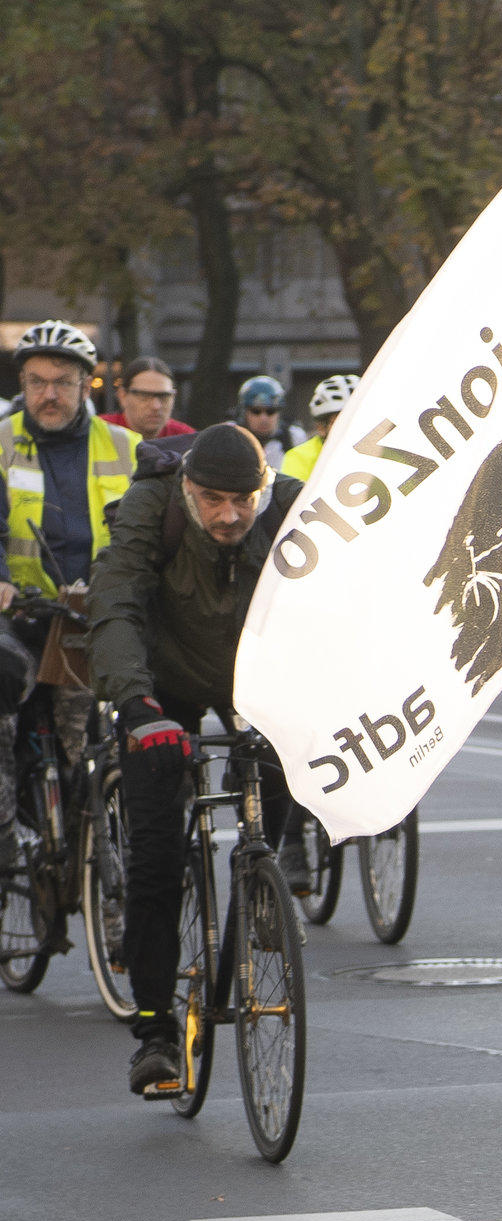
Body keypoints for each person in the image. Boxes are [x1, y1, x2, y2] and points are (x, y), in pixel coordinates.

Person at [86, 424, 304, 1094]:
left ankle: (255, 895)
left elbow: (342, 599)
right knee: (157, 858)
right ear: (188, 490)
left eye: (243, 499)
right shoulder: (155, 505)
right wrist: (135, 704)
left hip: (254, 680)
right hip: (164, 686)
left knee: (280, 780)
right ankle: (155, 1034)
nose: (229, 514)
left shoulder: (295, 508)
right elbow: (116, 602)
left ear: (262, 488)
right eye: (212, 499)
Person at [4, 323, 141, 847]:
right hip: (21, 612)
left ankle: (90, 847)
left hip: (92, 614)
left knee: (84, 749)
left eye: (62, 382)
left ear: (89, 385)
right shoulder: (1, 442)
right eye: (36, 382)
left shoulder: (126, 447)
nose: (48, 395)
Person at [101, 357, 195, 447]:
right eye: (144, 396)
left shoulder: (188, 439)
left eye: (164, 396)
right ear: (122, 396)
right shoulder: (97, 433)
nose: (156, 406)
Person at [279, 374, 355, 480]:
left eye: (357, 420)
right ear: (321, 428)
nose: (350, 427)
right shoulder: (300, 458)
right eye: (340, 421)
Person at [235, 376, 302, 471]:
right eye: (256, 411)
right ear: (244, 413)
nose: (263, 418)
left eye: (270, 411)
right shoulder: (231, 437)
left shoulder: (294, 438)